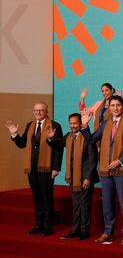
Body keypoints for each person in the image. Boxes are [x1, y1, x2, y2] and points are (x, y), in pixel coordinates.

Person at [81, 95, 123, 246]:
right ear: (109, 107)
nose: (115, 108)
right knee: (107, 203)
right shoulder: (105, 124)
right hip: (106, 170)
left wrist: (120, 161)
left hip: (122, 170)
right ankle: (108, 232)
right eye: (112, 105)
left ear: (122, 106)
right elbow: (91, 140)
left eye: (118, 105)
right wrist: (85, 126)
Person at [5, 102, 63, 236]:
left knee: (47, 197)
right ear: (33, 112)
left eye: (41, 110)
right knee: (36, 197)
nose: (38, 112)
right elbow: (22, 144)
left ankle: (48, 226)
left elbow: (59, 148)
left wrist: (56, 168)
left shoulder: (55, 126)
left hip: (47, 168)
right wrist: (14, 135)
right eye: (36, 110)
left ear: (46, 111)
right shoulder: (30, 125)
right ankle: (38, 224)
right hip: (32, 169)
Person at [46, 113, 98, 240]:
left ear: (80, 123)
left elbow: (93, 159)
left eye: (75, 123)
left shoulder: (88, 137)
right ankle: (75, 230)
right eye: (71, 123)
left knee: (85, 205)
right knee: (76, 205)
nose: (72, 126)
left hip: (85, 177)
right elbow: (58, 144)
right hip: (73, 178)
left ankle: (85, 231)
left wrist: (88, 178)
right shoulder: (68, 136)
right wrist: (51, 139)